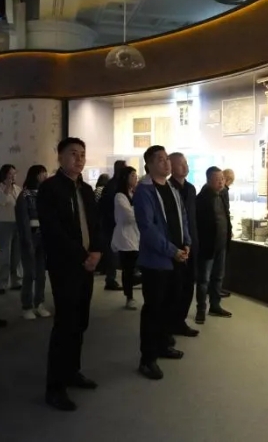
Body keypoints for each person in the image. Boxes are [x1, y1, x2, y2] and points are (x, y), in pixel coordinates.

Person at [37, 138, 103, 411]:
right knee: (65, 324)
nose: (79, 159)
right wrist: (82, 256)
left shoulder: (85, 189)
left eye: (82, 154)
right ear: (60, 157)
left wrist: (97, 251)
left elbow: (95, 224)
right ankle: (55, 387)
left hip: (87, 264)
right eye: (73, 154)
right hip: (65, 265)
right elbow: (53, 231)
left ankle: (72, 371)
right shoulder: (50, 189)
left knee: (80, 321)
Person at [133, 145, 191, 380]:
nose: (166, 163)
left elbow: (182, 218)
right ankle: (147, 359)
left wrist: (186, 243)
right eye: (160, 159)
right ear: (149, 165)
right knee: (153, 309)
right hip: (156, 261)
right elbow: (147, 228)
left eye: (167, 158)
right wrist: (171, 250)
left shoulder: (172, 189)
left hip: (177, 258)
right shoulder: (144, 191)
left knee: (170, 305)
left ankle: (163, 345)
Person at [195, 166, 233, 323]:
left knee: (218, 276)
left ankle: (215, 305)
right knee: (203, 280)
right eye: (217, 180)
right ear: (208, 180)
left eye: (222, 179)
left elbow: (225, 216)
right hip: (208, 245)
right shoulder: (202, 199)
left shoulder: (222, 195)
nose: (221, 182)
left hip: (221, 244)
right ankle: (201, 310)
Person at [168, 152, 200, 337]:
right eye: (180, 164)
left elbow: (193, 218)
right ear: (171, 166)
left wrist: (194, 242)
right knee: (175, 288)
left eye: (186, 163)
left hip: (191, 243)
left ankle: (180, 322)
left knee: (189, 285)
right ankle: (170, 323)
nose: (185, 167)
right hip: (175, 246)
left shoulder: (191, 188)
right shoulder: (167, 188)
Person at [16, 164, 51, 320]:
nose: (45, 176)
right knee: (29, 273)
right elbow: (23, 220)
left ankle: (39, 303)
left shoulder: (45, 193)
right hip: (30, 236)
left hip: (43, 237)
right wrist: (27, 240)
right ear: (36, 175)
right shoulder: (24, 195)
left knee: (41, 273)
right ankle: (27, 306)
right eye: (43, 173)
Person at [111, 166, 140, 310]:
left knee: (134, 267)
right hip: (125, 237)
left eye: (136, 175)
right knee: (128, 269)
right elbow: (129, 216)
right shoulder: (120, 196)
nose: (136, 178)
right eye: (133, 175)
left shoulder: (135, 194)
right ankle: (129, 296)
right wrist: (139, 211)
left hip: (136, 236)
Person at [98, 160, 127, 290]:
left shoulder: (112, 184)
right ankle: (110, 279)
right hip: (112, 224)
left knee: (114, 252)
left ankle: (112, 278)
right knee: (113, 252)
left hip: (112, 223)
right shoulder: (115, 186)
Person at [0, 164, 22, 295]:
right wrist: (7, 187)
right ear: (4, 175)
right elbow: (2, 201)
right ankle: (1, 284)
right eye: (10, 173)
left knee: (16, 255)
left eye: (14, 173)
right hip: (4, 224)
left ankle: (16, 281)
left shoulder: (17, 188)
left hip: (18, 224)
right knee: (3, 255)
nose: (13, 176)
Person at [218, 168, 234, 298]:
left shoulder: (220, 191)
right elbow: (225, 211)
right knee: (219, 267)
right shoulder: (223, 191)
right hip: (221, 234)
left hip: (221, 232)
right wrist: (229, 229)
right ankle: (216, 290)